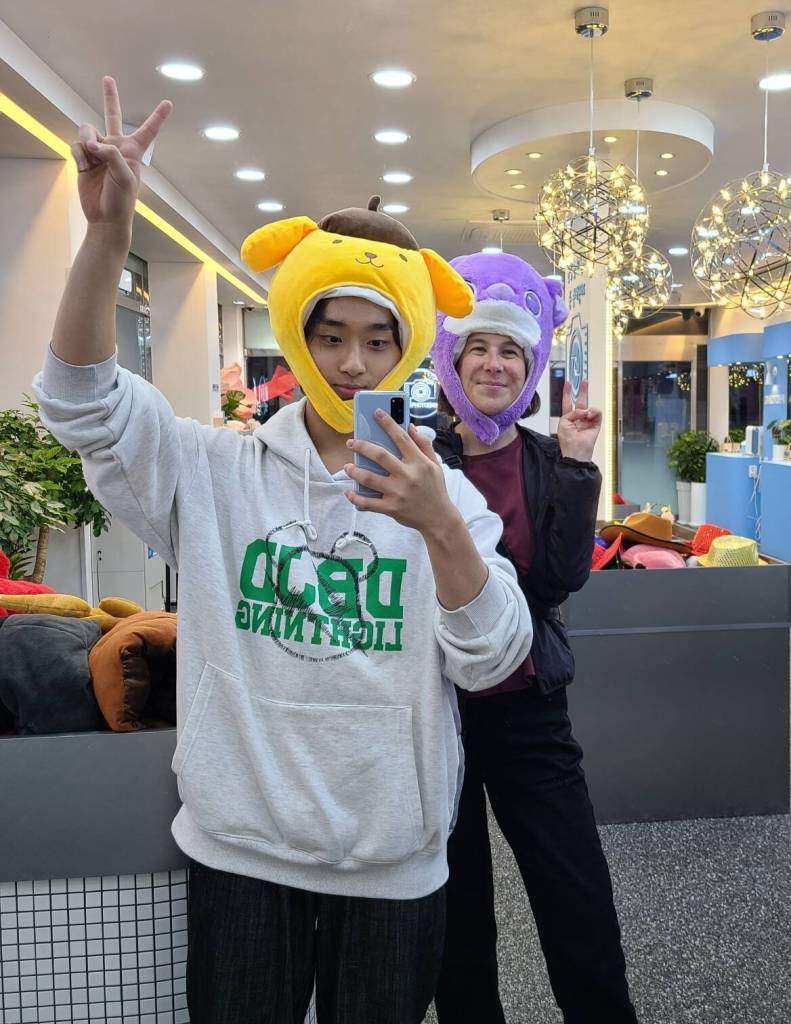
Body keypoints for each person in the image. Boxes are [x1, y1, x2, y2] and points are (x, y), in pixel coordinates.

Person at [34, 78, 532, 1024]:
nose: (352, 363)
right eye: (330, 336)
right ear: (299, 341)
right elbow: (82, 402)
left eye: (377, 340)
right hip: (242, 843)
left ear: (406, 349)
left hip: (392, 856)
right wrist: (105, 235)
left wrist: (435, 525)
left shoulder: (444, 494)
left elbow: (494, 657)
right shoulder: (215, 470)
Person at [429, 252, 638, 1023]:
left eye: (511, 351)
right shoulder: (423, 458)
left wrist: (579, 466)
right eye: (478, 347)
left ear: (531, 366)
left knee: (578, 901)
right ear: (451, 360)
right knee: (457, 920)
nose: (494, 364)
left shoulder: (547, 458)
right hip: (438, 711)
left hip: (529, 705)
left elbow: (558, 581)